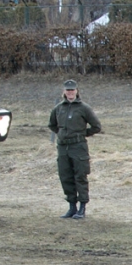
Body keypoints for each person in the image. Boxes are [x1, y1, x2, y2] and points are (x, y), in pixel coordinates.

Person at [48, 79, 102, 219]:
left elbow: (96, 126)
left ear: (77, 91)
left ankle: (82, 208)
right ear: (64, 92)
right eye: (68, 90)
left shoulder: (84, 108)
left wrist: (81, 135)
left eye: (72, 90)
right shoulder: (58, 108)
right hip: (63, 147)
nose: (70, 93)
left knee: (80, 176)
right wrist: (62, 135)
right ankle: (72, 207)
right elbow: (52, 125)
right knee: (65, 176)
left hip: (78, 147)